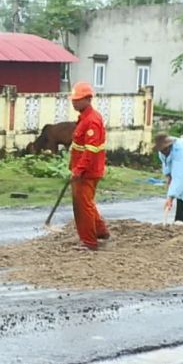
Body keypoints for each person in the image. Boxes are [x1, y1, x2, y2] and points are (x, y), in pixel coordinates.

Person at [68, 81, 110, 251]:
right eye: (73, 99)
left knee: (82, 205)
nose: (73, 102)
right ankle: (100, 231)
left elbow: (90, 150)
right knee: (87, 202)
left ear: (87, 99)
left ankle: (89, 242)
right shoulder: (85, 118)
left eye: (77, 99)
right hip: (86, 170)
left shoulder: (91, 121)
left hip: (86, 172)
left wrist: (78, 170)